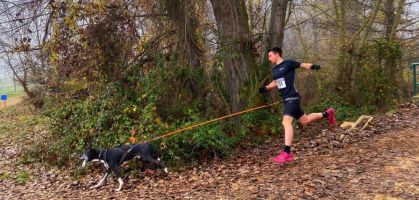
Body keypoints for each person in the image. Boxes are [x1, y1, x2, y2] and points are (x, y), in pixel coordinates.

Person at [259, 47, 336, 164]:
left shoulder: (288, 63)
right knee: (305, 120)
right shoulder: (275, 70)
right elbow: (276, 82)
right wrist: (266, 88)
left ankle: (287, 153)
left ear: (277, 54)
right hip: (286, 99)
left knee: (286, 122)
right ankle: (328, 113)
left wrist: (313, 66)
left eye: (270, 56)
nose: (269, 58)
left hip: (292, 97)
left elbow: (303, 65)